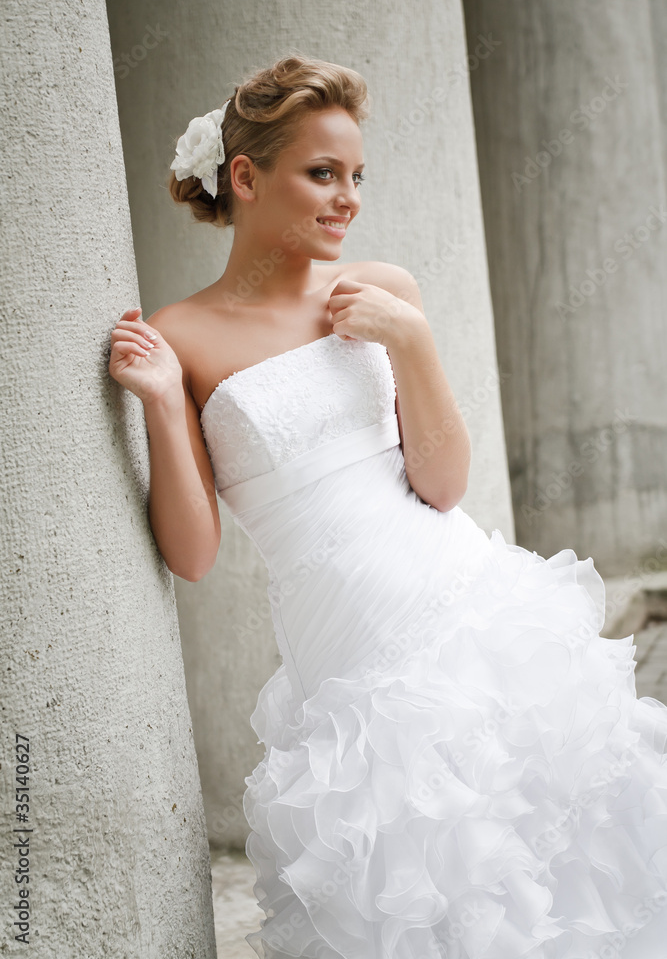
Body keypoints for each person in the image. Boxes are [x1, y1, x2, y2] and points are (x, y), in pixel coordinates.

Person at [109, 54, 667, 959]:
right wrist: (167, 404)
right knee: (416, 894)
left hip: (465, 606)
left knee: (540, 868)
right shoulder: (183, 336)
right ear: (245, 178)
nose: (347, 197)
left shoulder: (380, 292)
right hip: (346, 655)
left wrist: (409, 339)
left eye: (356, 176)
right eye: (321, 173)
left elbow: (442, 485)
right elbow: (194, 556)